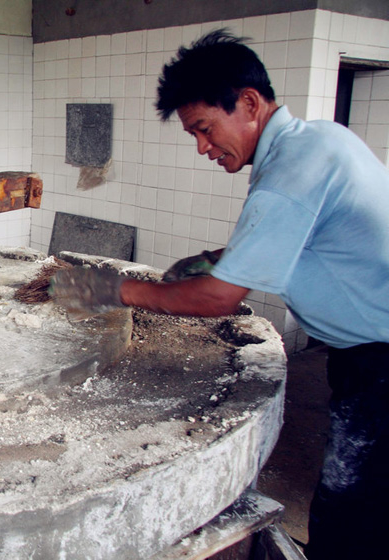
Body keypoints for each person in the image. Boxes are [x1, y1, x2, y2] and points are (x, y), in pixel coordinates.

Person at [51, 29, 389, 559]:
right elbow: (299, 239)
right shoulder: (321, 139)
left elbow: (217, 301)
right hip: (366, 353)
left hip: (381, 361)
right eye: (194, 135)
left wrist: (108, 288)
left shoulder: (286, 174)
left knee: (353, 520)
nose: (204, 148)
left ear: (249, 103)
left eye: (205, 130)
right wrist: (221, 260)